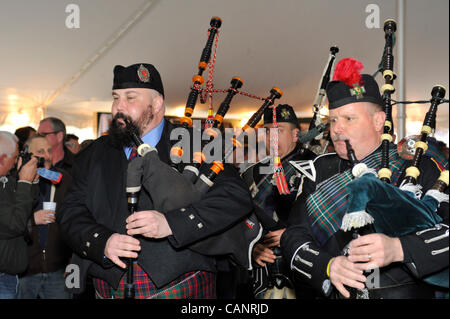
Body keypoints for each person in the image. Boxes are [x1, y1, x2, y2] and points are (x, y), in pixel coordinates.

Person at [57, 63, 253, 299]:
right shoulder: (95, 153)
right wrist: (102, 242)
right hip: (109, 285)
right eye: (116, 98)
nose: (119, 106)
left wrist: (173, 224)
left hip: (181, 282)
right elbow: (70, 211)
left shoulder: (195, 143)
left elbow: (235, 196)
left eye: (130, 97)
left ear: (157, 104)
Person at [281, 58, 449, 299]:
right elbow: (293, 235)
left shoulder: (417, 165)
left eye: (349, 119)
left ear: (378, 121)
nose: (337, 128)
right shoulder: (319, 171)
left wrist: (399, 249)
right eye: (334, 120)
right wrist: (328, 266)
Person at [241, 105, 316, 298]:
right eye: (267, 131)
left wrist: (294, 234)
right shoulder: (252, 173)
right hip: (263, 272)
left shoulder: (317, 167)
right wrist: (252, 248)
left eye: (279, 131)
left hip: (306, 266)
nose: (271, 138)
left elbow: (332, 219)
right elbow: (240, 220)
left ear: (295, 134)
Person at [17, 136, 73, 299]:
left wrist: (72, 261)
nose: (47, 156)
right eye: (40, 151)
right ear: (27, 154)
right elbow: (7, 223)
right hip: (25, 270)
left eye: (50, 151)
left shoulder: (65, 179)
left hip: (57, 269)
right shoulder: (16, 181)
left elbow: (75, 221)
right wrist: (32, 219)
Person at [0, 131, 39, 299]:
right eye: (15, 157)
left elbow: (26, 206)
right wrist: (24, 183)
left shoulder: (5, 179)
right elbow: (15, 224)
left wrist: (32, 182)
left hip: (9, 274)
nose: (17, 161)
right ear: (2, 158)